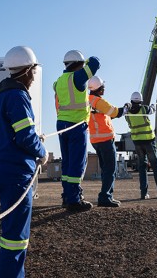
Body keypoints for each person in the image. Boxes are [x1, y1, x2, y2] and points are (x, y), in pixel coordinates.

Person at [0, 46, 47, 278]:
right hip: (16, 173)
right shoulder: (18, 96)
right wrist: (42, 151)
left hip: (2, 169)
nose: (34, 76)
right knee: (15, 238)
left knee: (10, 233)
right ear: (27, 71)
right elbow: (25, 136)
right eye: (34, 71)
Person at [54, 50, 99, 211]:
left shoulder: (59, 81)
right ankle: (73, 200)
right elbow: (95, 62)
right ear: (78, 64)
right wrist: (86, 60)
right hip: (76, 125)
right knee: (77, 163)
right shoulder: (78, 78)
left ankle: (66, 196)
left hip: (61, 124)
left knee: (67, 162)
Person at [87, 76, 125, 207]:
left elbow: (102, 117)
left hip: (95, 140)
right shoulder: (98, 101)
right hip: (105, 140)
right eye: (103, 86)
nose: (104, 88)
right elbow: (115, 112)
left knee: (106, 169)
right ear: (99, 88)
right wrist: (126, 108)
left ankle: (106, 195)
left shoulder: (87, 100)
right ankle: (105, 197)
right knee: (110, 169)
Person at [125, 91, 157, 200]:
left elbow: (124, 113)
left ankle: (143, 194)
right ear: (141, 100)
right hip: (148, 141)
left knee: (142, 168)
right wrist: (153, 105)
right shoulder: (144, 109)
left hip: (137, 143)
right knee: (155, 166)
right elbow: (152, 109)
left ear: (131, 100)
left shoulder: (127, 113)